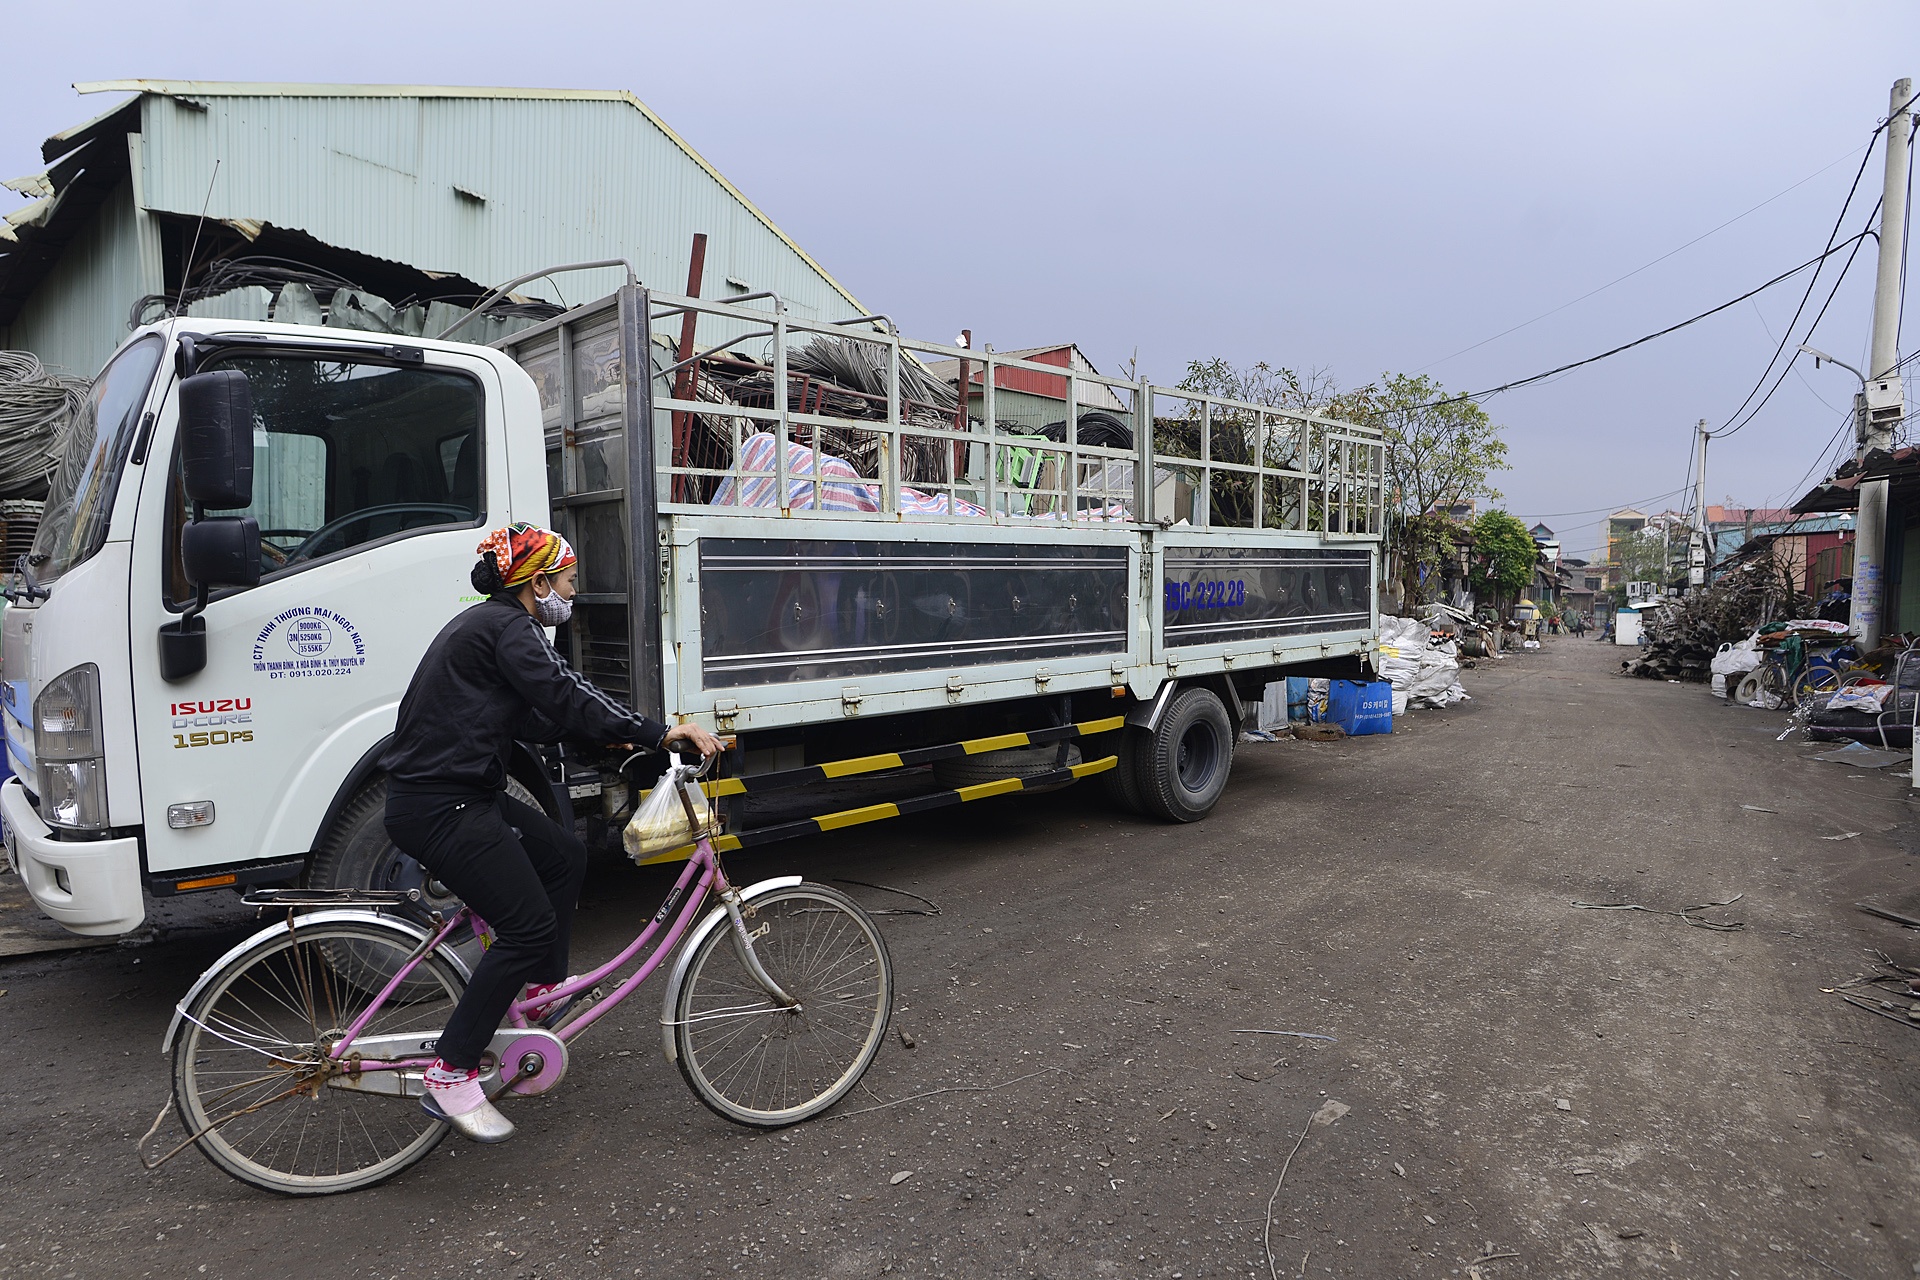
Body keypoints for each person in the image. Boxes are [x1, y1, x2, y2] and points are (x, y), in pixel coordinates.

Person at [380, 522, 722, 1143]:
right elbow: (565, 692)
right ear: (537, 584)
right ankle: (451, 1070)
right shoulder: (511, 628)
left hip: (459, 793)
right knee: (526, 925)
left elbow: (538, 717)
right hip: (442, 804)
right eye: (567, 582)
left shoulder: (490, 625)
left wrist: (613, 738)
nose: (572, 594)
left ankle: (540, 987)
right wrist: (656, 731)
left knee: (563, 854)